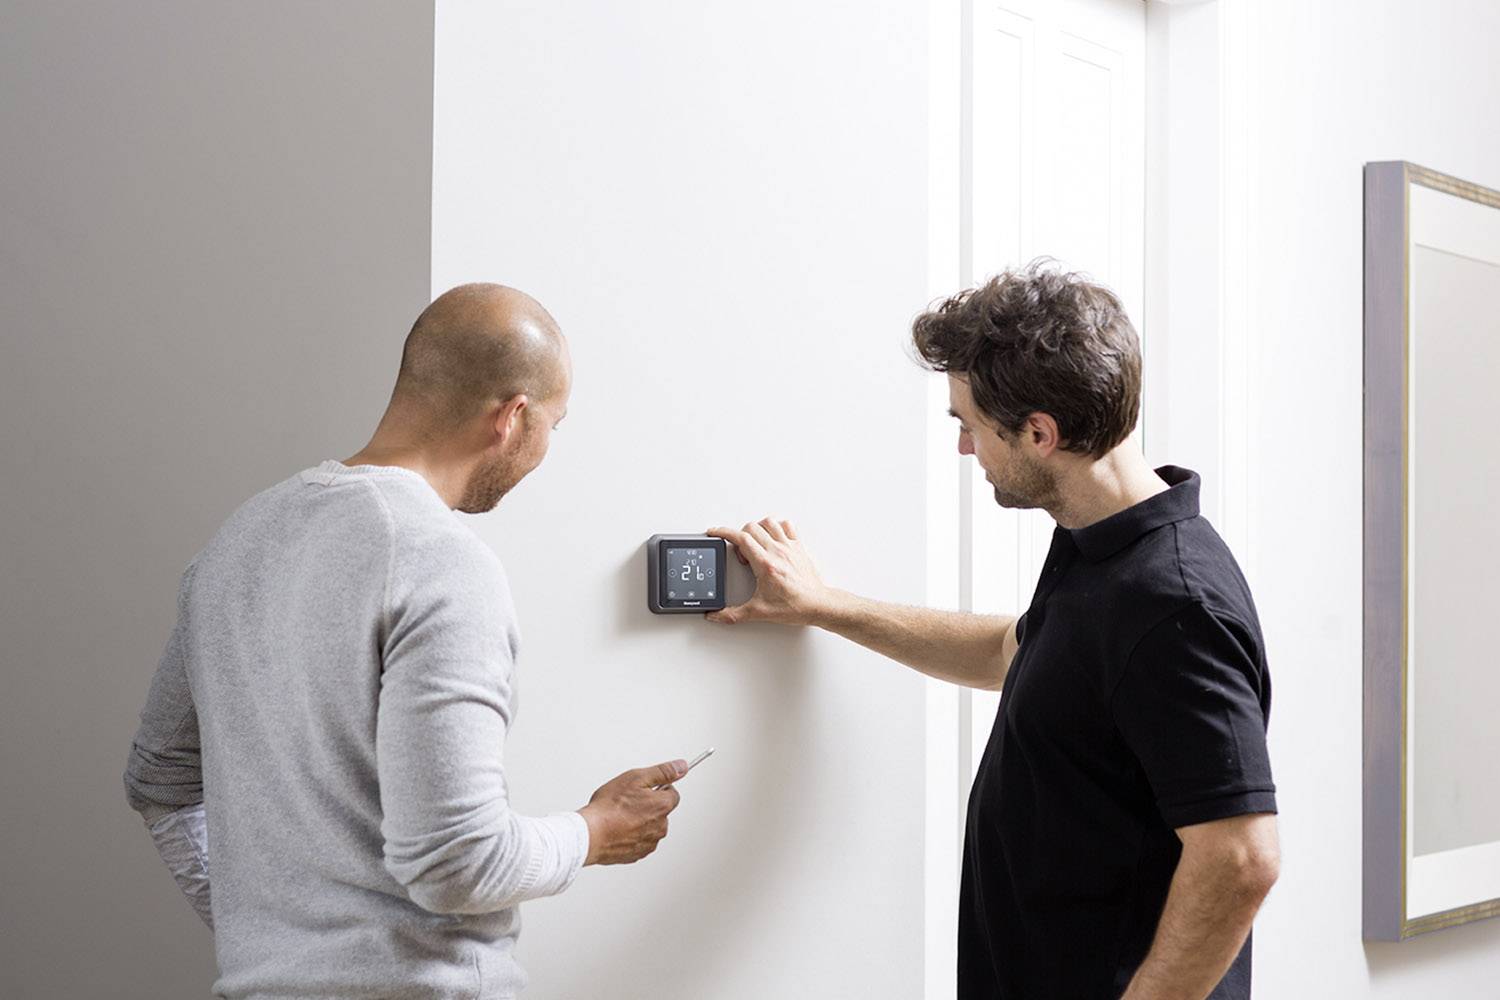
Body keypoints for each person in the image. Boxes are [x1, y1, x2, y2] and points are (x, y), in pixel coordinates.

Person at [709, 263, 1280, 1000]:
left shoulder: (1175, 604)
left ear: (1040, 433)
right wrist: (824, 604)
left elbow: (1241, 858)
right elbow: (1013, 652)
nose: (964, 449)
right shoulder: (1097, 546)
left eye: (968, 426)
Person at [124, 283, 685, 999]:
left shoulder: (237, 543)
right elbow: (459, 862)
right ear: (512, 418)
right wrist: (595, 831)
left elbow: (158, 784)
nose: (545, 446)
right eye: (553, 424)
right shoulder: (440, 561)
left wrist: (278, 946)